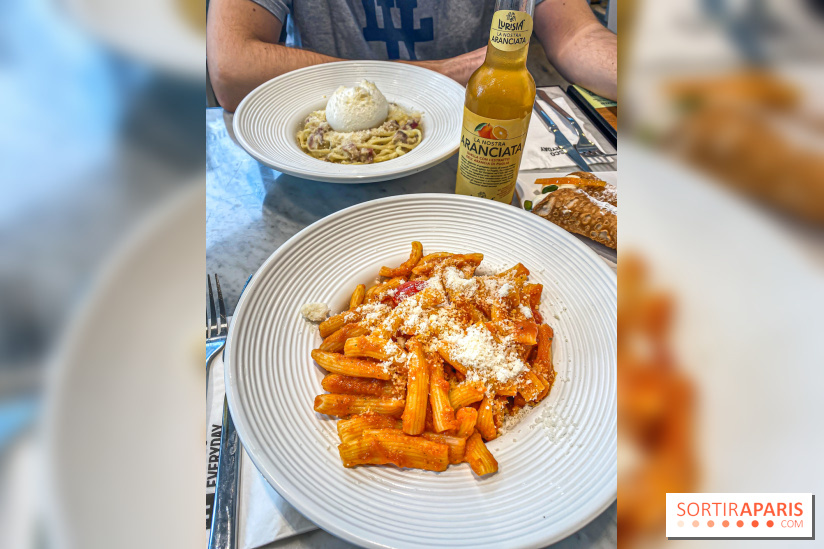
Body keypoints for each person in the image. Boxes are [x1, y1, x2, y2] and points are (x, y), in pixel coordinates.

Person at [207, 0, 617, 112]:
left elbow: (578, 36)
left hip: (474, 148)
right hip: (323, 167)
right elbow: (232, 69)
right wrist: (434, 74)